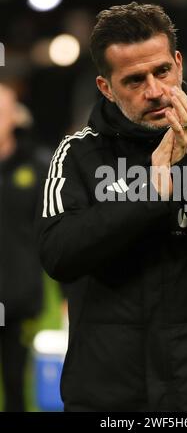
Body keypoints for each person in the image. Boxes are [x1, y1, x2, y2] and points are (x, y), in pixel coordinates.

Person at [36, 2, 187, 412]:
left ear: (178, 64)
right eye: (133, 80)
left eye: (161, 71)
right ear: (105, 87)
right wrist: (152, 191)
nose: (154, 90)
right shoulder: (76, 154)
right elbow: (59, 255)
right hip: (107, 397)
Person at [0, 83, 45, 411]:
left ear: (15, 117)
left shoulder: (37, 167)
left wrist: (68, 299)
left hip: (17, 298)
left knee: (16, 385)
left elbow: (56, 234)